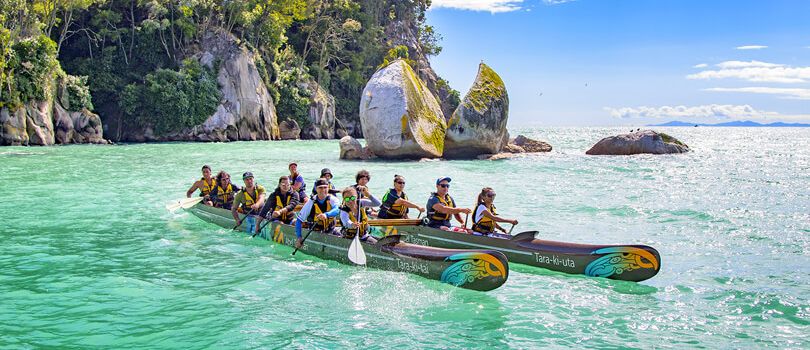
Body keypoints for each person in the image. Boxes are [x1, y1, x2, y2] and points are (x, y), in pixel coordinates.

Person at [294, 178, 341, 248]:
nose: (323, 190)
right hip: (315, 231)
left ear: (328, 189)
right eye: (320, 188)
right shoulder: (311, 201)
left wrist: (326, 214)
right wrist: (299, 237)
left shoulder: (333, 199)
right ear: (316, 189)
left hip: (330, 229)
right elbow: (299, 220)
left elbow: (337, 210)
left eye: (325, 187)